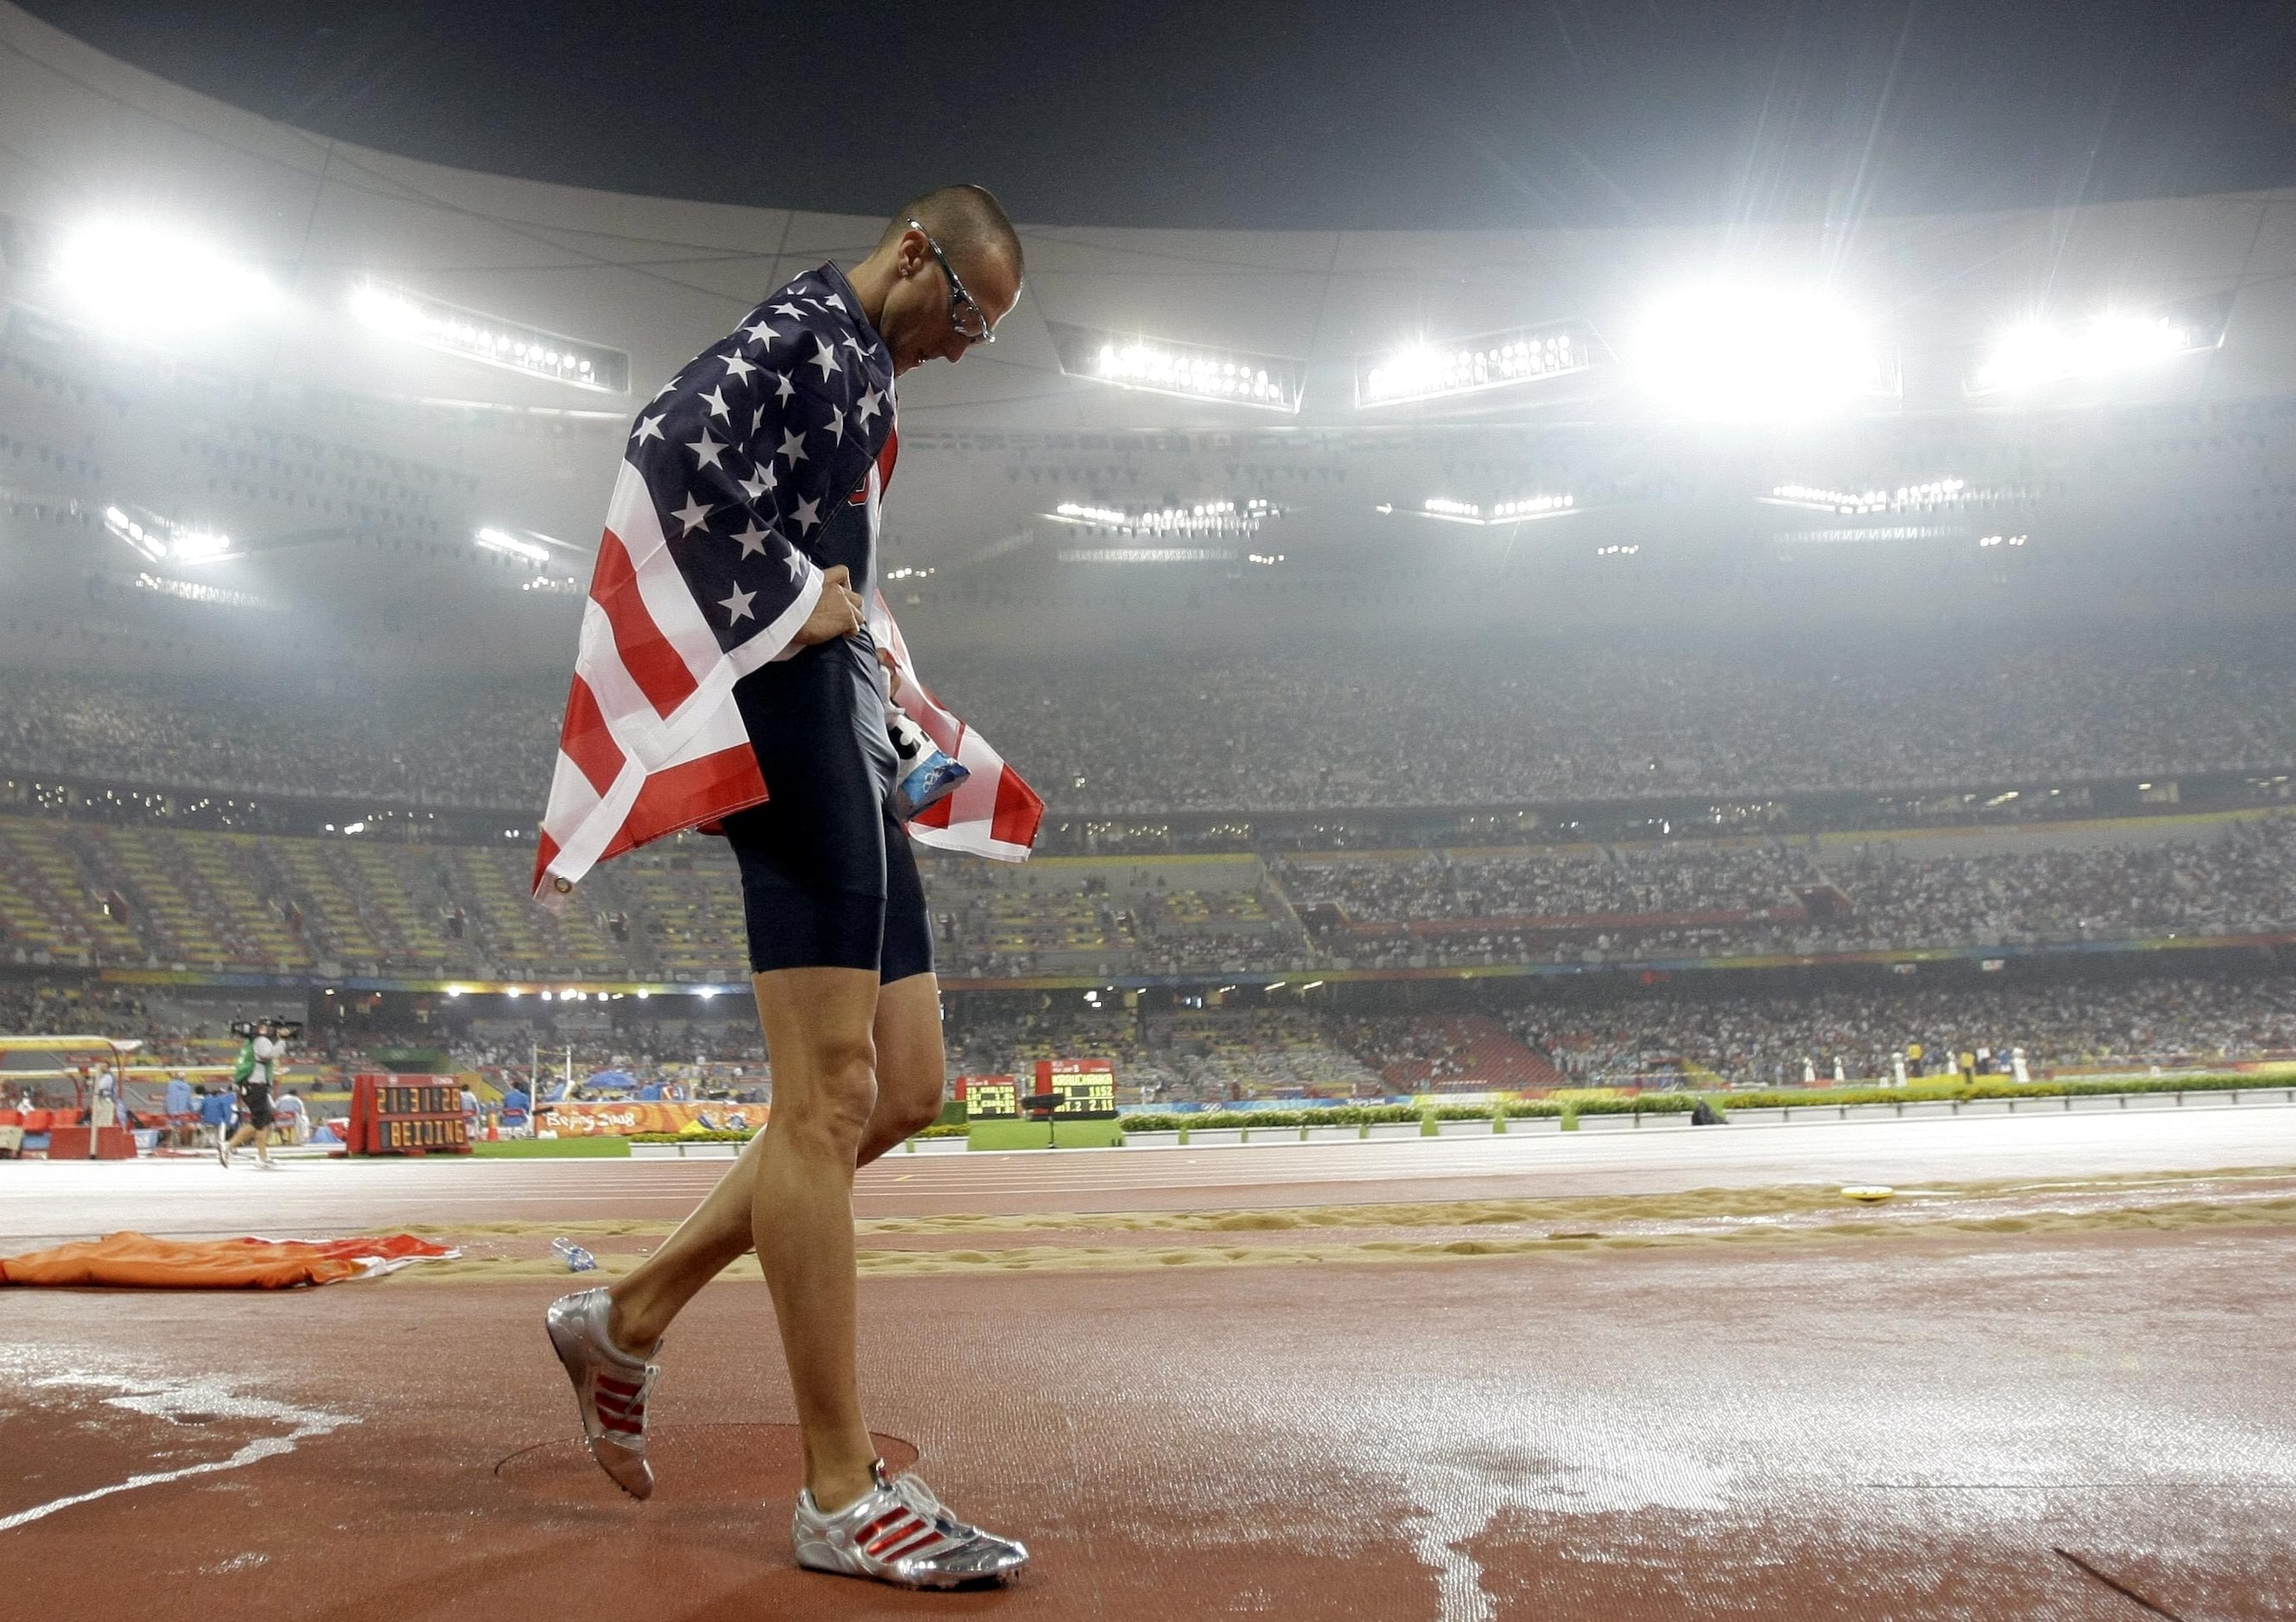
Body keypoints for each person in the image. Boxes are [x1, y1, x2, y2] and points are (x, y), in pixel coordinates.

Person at [544, 186, 1030, 1590]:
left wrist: (880, 666)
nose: (962, 345)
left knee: (901, 1085)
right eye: (967, 316)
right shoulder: (808, 329)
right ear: (916, 254)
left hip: (853, 715)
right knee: (821, 1093)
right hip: (787, 702)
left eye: (982, 335)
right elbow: (662, 442)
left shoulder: (862, 369)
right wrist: (787, 602)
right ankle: (834, 1489)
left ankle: (624, 1313)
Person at [221, 1020, 283, 1168]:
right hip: (256, 1086)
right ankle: (229, 1146)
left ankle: (262, 1157)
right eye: (263, 1027)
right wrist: (282, 1041)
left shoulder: (249, 1043)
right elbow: (269, 1054)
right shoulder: (261, 1040)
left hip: (250, 1085)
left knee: (266, 1121)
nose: (267, 1030)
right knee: (259, 1121)